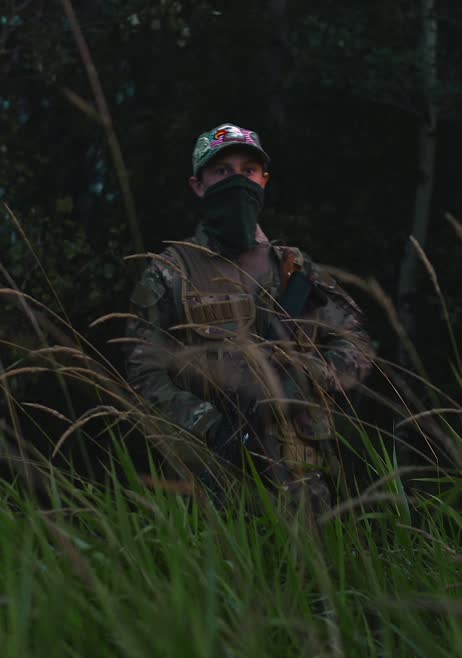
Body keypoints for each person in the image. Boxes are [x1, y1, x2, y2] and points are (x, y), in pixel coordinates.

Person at [123, 122, 373, 509]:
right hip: (211, 479)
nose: (237, 182)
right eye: (223, 172)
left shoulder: (294, 268)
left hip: (302, 481)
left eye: (248, 171)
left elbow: (356, 344)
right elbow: (143, 373)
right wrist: (207, 424)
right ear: (198, 186)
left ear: (264, 181)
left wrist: (308, 378)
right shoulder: (169, 273)